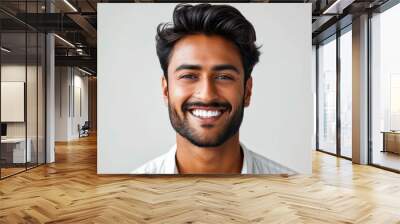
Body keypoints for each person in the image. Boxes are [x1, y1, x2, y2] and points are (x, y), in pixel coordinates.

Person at [133, 3, 295, 175]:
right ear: (166, 91)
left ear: (247, 92)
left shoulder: (293, 191)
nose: (207, 95)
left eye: (224, 77)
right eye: (189, 76)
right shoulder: (130, 194)